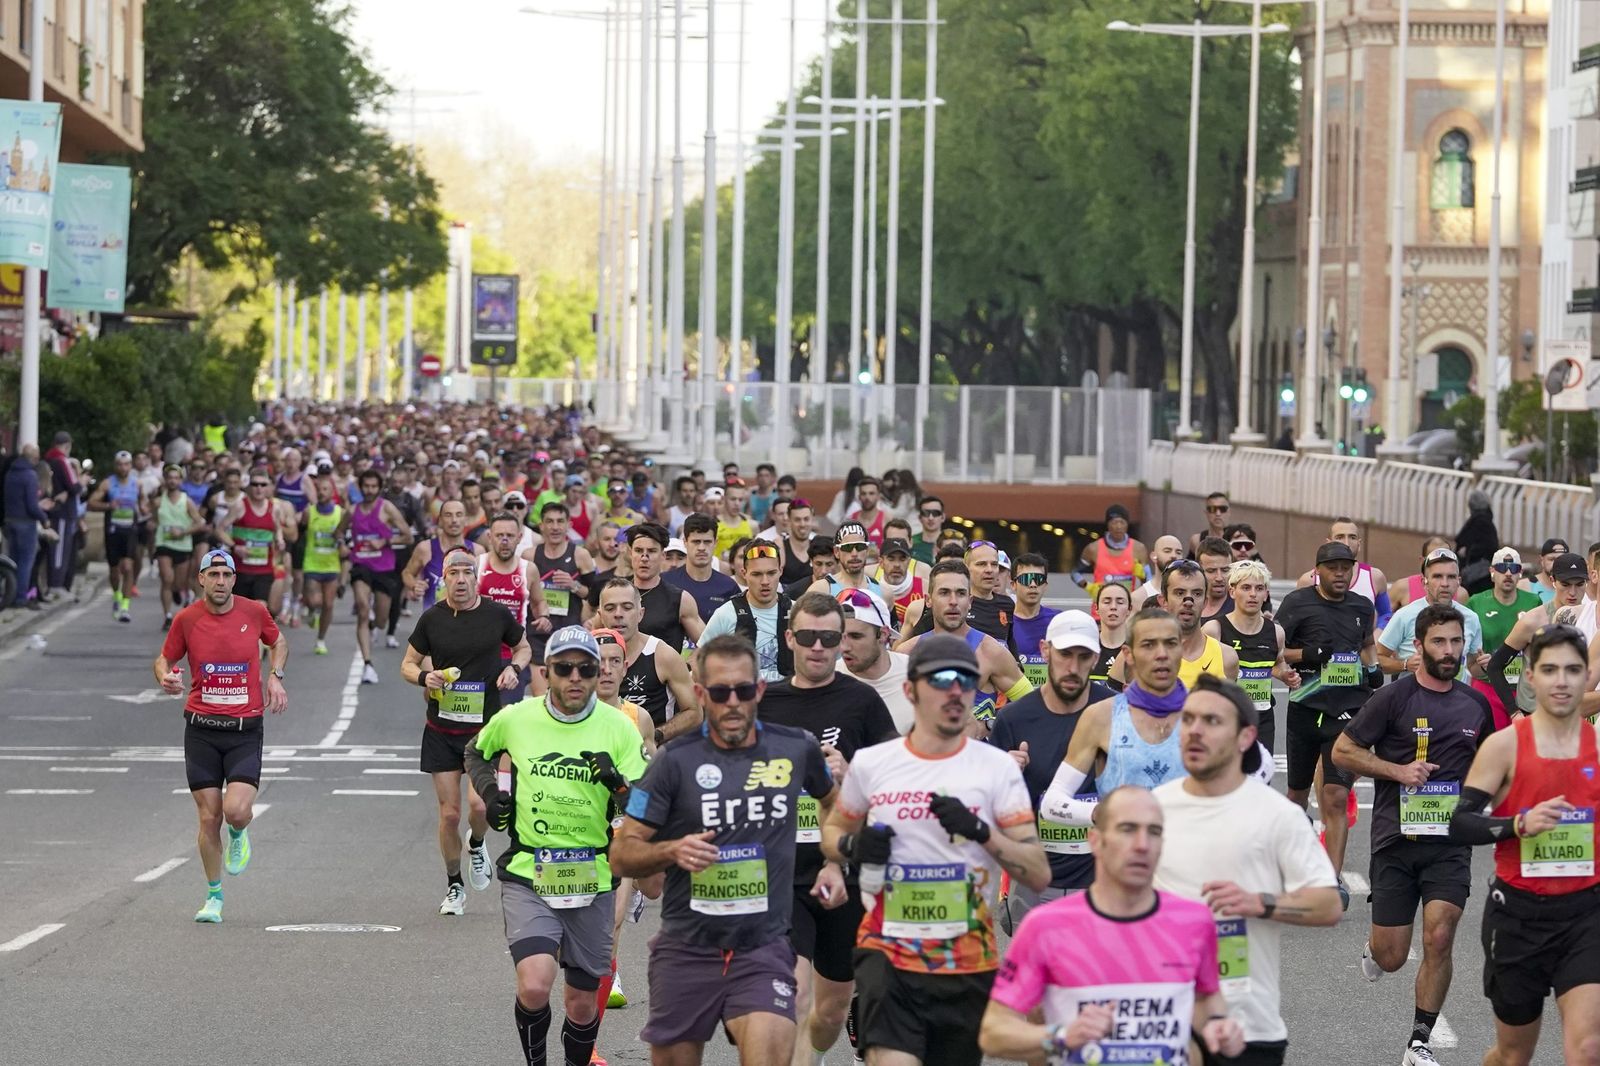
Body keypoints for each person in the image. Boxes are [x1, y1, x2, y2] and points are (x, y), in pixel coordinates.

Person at [821, 634, 1050, 1066]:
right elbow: (832, 834)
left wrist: (982, 832)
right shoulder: (874, 764)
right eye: (941, 679)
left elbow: (1037, 872)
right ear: (910, 690)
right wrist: (853, 845)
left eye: (967, 680)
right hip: (887, 956)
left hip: (966, 961)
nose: (955, 691)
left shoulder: (996, 768)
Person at [613, 634, 838, 1066]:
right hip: (687, 947)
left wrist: (832, 861)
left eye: (743, 691)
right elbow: (623, 854)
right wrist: (672, 850)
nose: (732, 702)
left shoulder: (795, 748)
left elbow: (834, 805)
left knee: (773, 1054)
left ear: (760, 690)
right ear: (700, 694)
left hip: (764, 946)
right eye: (719, 693)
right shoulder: (672, 763)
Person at [464, 625, 649, 1066]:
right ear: (547, 672)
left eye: (585, 669)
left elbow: (649, 799)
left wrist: (621, 790)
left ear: (596, 671)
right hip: (530, 870)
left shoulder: (618, 728)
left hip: (593, 875)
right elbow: (476, 752)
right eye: (563, 668)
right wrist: (491, 795)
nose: (575, 678)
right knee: (534, 983)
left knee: (582, 1003)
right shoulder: (519, 717)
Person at [1330, 605, 1494, 1066]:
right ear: (1418, 646)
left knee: (1440, 935)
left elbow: (1493, 763)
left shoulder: (1475, 704)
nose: (1449, 651)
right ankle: (1374, 949)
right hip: (1395, 842)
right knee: (1392, 956)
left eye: (1456, 642)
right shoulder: (1393, 698)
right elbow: (1344, 750)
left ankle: (1417, 1042)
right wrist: (1397, 770)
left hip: (1448, 844)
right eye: (1439, 642)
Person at [977, 786, 1246, 1066]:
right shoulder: (1046, 926)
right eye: (1127, 829)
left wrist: (1218, 1024)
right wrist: (1062, 1038)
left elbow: (1206, 999)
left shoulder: (1194, 921)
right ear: (1096, 840)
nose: (1142, 844)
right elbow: (993, 1033)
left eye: (1153, 832)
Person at [1153, 677, 1341, 1066]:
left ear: (1245, 737)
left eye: (1211, 721)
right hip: (1163, 1025)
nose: (1195, 731)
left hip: (1248, 1029)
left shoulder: (1278, 815)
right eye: (1187, 720)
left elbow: (1327, 905)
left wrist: (1260, 903)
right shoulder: (1152, 810)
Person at [1447, 624, 1600, 1066]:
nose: (1562, 681)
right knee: (1514, 1055)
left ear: (1586, 676)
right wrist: (1518, 823)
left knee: (1587, 1050)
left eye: (1573, 670)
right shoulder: (1505, 746)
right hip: (1518, 917)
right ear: (1529, 676)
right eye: (1549, 669)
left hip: (1586, 914)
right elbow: (1459, 823)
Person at [757, 594, 898, 1066]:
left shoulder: (861, 701)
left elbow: (897, 779)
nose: (818, 647)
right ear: (790, 639)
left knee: (832, 1007)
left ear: (841, 643)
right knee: (791, 993)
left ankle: (811, 1056)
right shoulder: (766, 701)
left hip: (845, 870)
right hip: (781, 872)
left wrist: (850, 770)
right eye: (808, 637)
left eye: (830, 638)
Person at [153, 548, 289, 923]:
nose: (220, 581)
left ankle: (240, 833)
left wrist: (275, 676)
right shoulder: (186, 619)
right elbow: (165, 659)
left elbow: (278, 641)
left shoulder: (253, 612)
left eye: (226, 575)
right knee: (208, 817)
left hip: (245, 729)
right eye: (212, 575)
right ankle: (213, 897)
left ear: (234, 579)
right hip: (201, 730)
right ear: (201, 579)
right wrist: (165, 677)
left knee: (235, 811)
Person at [401, 544, 533, 916]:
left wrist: (514, 670)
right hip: (441, 729)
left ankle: (477, 844)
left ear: (477, 577)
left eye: (467, 573)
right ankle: (454, 885)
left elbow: (522, 647)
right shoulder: (433, 619)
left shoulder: (495, 614)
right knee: (449, 815)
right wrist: (426, 677)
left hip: (484, 731)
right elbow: (407, 665)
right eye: (453, 574)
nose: (460, 580)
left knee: (479, 805)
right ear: (443, 580)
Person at [989, 610, 1114, 927]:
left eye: (1083, 656)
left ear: (1096, 657)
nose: (1073, 667)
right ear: (1045, 651)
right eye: (1064, 655)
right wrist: (1004, 774)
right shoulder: (1014, 718)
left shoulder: (1115, 712)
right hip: (1034, 881)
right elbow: (984, 806)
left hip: (1102, 881)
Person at [1275, 540, 1379, 906]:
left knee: (1335, 796)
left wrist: (1373, 670)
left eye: (1345, 567)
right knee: (1297, 795)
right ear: (1318, 570)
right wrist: (1307, 654)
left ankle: (1330, 882)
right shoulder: (1297, 603)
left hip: (1347, 711)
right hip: (1306, 708)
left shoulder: (1362, 606)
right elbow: (1275, 648)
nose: (1339, 573)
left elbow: (1367, 644)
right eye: (1332, 567)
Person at [1039, 606, 1188, 827]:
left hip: (1192, 857)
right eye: (1148, 645)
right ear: (1128, 654)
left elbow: (1255, 778)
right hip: (1125, 857)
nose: (1162, 654)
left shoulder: (1207, 713)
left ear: (1182, 648)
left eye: (1170, 643)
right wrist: (1105, 812)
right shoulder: (1102, 716)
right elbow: (1052, 803)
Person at [895, 560, 1031, 730]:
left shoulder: (990, 651)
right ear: (928, 600)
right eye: (944, 593)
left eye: (960, 593)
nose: (953, 601)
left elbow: (1033, 707)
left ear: (970, 601)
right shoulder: (906, 654)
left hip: (977, 755)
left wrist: (989, 725)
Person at [594, 578, 701, 745]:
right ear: (600, 615)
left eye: (627, 607)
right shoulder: (587, 655)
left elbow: (694, 712)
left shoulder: (662, 655)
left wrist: (654, 736)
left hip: (651, 754)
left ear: (640, 613)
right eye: (610, 608)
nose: (618, 614)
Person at [1204, 559, 1296, 754]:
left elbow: (1277, 663)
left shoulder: (1276, 632)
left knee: (1260, 778)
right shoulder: (1214, 629)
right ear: (1232, 592)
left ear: (1266, 594)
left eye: (1259, 588)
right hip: (1227, 718)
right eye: (1246, 588)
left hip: (1262, 718)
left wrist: (1285, 675)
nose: (1253, 594)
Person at [1486, 552, 1593, 718]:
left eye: (1579, 585)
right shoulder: (1532, 621)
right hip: (1533, 714)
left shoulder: (1591, 616)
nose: (1572, 592)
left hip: (1576, 715)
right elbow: (1495, 666)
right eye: (1565, 584)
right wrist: (1514, 712)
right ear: (1553, 581)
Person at [340, 470, 414, 684]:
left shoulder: (387, 508)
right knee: (363, 609)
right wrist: (343, 546)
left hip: (383, 568)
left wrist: (384, 541)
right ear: (360, 487)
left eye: (374, 486)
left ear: (379, 488)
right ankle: (368, 665)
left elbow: (408, 536)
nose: (369, 490)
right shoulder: (352, 511)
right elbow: (338, 533)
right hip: (361, 566)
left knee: (381, 620)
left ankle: (374, 627)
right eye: (366, 486)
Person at [1378, 547, 1486, 681]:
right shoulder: (1405, 615)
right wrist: (1404, 665)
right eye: (1437, 576)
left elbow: (1473, 667)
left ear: (1459, 581)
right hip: (1414, 699)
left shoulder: (1471, 618)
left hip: (1455, 699)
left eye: (1451, 577)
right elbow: (1378, 658)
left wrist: (1484, 667)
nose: (1445, 584)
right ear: (1424, 582)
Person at [1468, 546, 1544, 727]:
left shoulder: (1533, 601)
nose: (1508, 574)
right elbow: (1470, 659)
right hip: (1487, 686)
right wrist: (1482, 665)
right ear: (1492, 572)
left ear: (1520, 574)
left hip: (1523, 689)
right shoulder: (1476, 602)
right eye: (1502, 568)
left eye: (1514, 569)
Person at [478, 512, 548, 703]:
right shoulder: (477, 565)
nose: (505, 540)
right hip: (479, 655)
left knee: (507, 714)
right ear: (490, 537)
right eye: (499, 535)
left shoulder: (528, 569)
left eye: (510, 536)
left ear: (519, 538)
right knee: (479, 718)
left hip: (514, 654)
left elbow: (539, 601)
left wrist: (544, 617)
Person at [702, 541, 792, 681]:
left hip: (789, 698)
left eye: (771, 573)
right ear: (744, 573)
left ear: (780, 571)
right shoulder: (726, 614)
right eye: (756, 574)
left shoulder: (798, 612)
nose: (765, 581)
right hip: (742, 698)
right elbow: (698, 659)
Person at [837, 587, 914, 734]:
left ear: (883, 634)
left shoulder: (916, 673)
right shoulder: (830, 678)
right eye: (840, 636)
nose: (844, 647)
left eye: (856, 636)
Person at [528, 500, 595, 664]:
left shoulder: (580, 555)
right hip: (537, 632)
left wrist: (574, 585)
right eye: (549, 521)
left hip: (569, 631)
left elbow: (594, 595)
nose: (555, 527)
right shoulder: (529, 556)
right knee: (539, 689)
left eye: (560, 521)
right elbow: (523, 595)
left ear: (568, 525)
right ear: (541, 525)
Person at [88, 450, 148, 623]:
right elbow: (92, 503)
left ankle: (125, 607)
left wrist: (144, 508)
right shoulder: (108, 484)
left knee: (128, 567)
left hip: (130, 530)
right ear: (116, 466)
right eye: (120, 464)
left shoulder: (137, 484)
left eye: (126, 464)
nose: (123, 467)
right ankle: (116, 595)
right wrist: (109, 505)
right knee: (114, 571)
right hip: (113, 531)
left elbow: (143, 503)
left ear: (131, 466)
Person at [1295, 518, 1393, 621]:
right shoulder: (1309, 580)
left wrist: (1377, 635)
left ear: (1359, 544)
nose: (1346, 542)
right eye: (1340, 537)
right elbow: (1296, 618)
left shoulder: (1375, 577)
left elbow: (1386, 614)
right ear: (1328, 543)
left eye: (1352, 537)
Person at [627, 522, 704, 653]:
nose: (644, 558)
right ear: (630, 553)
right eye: (639, 551)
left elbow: (709, 644)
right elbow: (594, 634)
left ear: (662, 556)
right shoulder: (614, 593)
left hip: (665, 672)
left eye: (651, 551)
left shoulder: (680, 599)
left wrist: (694, 662)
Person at [217, 466, 287, 606]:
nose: (259, 488)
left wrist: (280, 540)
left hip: (264, 569)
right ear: (249, 486)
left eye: (263, 485)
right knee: (239, 612)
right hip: (241, 569)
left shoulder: (274, 508)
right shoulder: (240, 506)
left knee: (260, 607)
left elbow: (278, 529)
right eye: (255, 484)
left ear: (268, 487)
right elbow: (219, 530)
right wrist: (235, 547)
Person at [152, 463, 207, 627]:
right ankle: (168, 615)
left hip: (183, 545)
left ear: (180, 481)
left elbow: (200, 522)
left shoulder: (187, 501)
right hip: (163, 543)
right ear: (165, 480)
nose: (172, 481)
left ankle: (178, 591)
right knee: (166, 579)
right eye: (169, 478)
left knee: (179, 583)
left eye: (176, 478)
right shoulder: (157, 501)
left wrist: (183, 533)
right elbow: (150, 517)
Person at [665, 512, 742, 622]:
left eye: (707, 542)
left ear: (715, 543)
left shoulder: (729, 587)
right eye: (696, 542)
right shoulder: (665, 582)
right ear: (685, 543)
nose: (701, 547)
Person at [301, 469, 345, 655]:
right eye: (319, 489)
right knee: (315, 601)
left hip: (332, 565)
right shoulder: (308, 512)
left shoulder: (339, 513)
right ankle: (311, 611)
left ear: (332, 492)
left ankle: (321, 640)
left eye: (325, 489)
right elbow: (300, 534)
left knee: (328, 604)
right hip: (312, 563)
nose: (321, 492)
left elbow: (344, 536)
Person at [3, 442, 51, 609]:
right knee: (25, 562)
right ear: (35, 457)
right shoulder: (30, 475)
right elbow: (32, 505)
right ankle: (20, 597)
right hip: (25, 523)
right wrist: (43, 517)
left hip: (10, 521)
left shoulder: (10, 473)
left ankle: (10, 594)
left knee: (13, 560)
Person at [1008, 552, 1058, 688]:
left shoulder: (1059, 621)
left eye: (1038, 579)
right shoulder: (1002, 622)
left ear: (1045, 585)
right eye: (1026, 579)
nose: (1033, 584)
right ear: (1013, 584)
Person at [1072, 504, 1149, 592]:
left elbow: (1148, 581)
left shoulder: (1139, 548)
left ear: (1127, 524)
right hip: (1100, 603)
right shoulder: (1093, 548)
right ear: (1108, 524)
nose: (1118, 527)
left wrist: (1143, 577)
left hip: (1127, 603)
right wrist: (1088, 586)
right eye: (1114, 522)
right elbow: (1075, 573)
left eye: (1122, 522)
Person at [1389, 535, 1468, 612]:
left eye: (1446, 558)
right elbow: (1384, 615)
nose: (1440, 562)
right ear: (1422, 561)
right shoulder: (1402, 587)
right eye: (1434, 558)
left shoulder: (1461, 594)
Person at [810, 522, 884, 601]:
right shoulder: (820, 590)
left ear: (867, 550)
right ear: (837, 552)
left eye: (860, 546)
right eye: (847, 547)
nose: (854, 554)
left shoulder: (884, 593)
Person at [1455, 489, 1499, 596]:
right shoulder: (1485, 522)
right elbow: (1491, 547)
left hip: (1472, 573)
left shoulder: (1474, 521)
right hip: (1481, 577)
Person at [875, 536, 925, 629]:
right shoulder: (871, 590)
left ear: (909, 562)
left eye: (902, 559)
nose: (897, 565)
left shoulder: (924, 588)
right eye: (891, 559)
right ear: (881, 562)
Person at [1091, 581, 1131, 691]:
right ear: (1096, 608)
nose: (1113, 607)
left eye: (1120, 602)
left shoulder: (1137, 650)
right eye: (1107, 602)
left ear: (1129, 609)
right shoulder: (1086, 647)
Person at [1132, 533, 1186, 611]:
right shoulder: (1138, 597)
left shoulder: (1189, 593)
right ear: (1153, 556)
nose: (1174, 555)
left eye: (1178, 552)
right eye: (1167, 551)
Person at [1518, 537, 1568, 604]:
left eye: (1561, 560)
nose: (1556, 564)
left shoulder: (1574, 589)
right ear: (1542, 560)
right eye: (1551, 559)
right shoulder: (1524, 586)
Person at [787, 537, 837, 602]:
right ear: (811, 561)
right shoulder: (793, 592)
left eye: (829, 564)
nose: (824, 571)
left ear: (837, 563)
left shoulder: (846, 590)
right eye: (818, 564)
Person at [1187, 491, 1231, 559]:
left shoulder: (1236, 540)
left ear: (1229, 512)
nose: (1218, 514)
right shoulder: (1197, 540)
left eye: (1223, 509)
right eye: (1212, 509)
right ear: (1206, 513)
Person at [908, 496, 944, 565]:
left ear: (943, 517)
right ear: (919, 517)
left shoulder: (950, 543)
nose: (930, 518)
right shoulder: (911, 542)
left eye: (935, 513)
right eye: (926, 513)